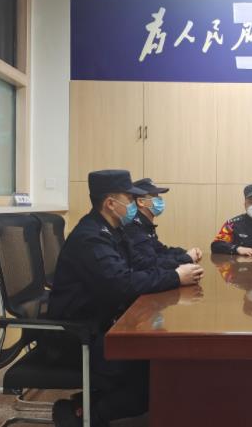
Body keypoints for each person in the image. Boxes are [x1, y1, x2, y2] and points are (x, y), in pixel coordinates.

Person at [47, 170, 205, 427]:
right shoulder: (91, 237)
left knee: (162, 368)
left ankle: (88, 403)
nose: (134, 205)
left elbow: (140, 267)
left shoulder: (113, 231)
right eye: (130, 199)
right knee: (154, 380)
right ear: (111, 203)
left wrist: (175, 272)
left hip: (108, 321)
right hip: (82, 334)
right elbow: (122, 284)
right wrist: (176, 277)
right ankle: (82, 415)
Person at [124, 178, 203, 269]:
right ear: (141, 201)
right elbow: (151, 263)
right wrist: (186, 258)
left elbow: (160, 251)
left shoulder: (146, 225)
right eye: (155, 196)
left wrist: (186, 253)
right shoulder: (133, 227)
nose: (160, 199)